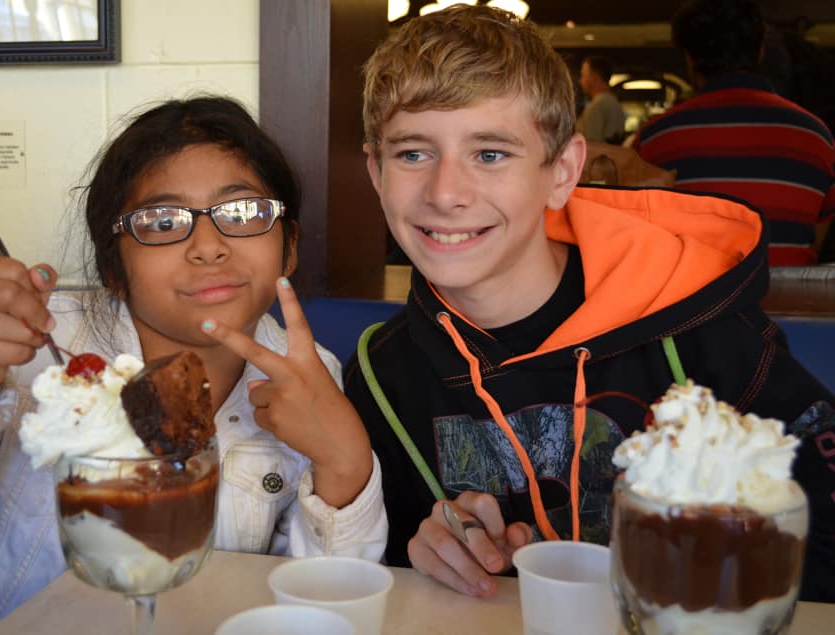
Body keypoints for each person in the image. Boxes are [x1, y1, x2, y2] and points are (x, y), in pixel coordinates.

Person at [346, 3, 835, 603]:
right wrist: (427, 548)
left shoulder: (701, 324)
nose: (446, 193)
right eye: (413, 153)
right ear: (375, 171)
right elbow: (389, 567)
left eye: (490, 153)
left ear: (564, 171)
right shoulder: (380, 374)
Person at [0, 96, 386, 634]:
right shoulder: (33, 348)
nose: (208, 246)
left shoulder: (306, 376)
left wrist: (344, 465)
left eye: (241, 212)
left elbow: (320, 605)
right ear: (113, 268)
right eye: (161, 221)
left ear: (289, 246)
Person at [633, 0, 835, 266]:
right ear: (760, 50)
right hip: (790, 305)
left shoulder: (654, 139)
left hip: (694, 304)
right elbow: (816, 240)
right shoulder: (816, 137)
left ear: (689, 58)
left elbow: (643, 238)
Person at [575, 55, 627, 144]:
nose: (581, 81)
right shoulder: (614, 103)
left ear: (594, 77)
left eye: (583, 75)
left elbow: (592, 145)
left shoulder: (596, 105)